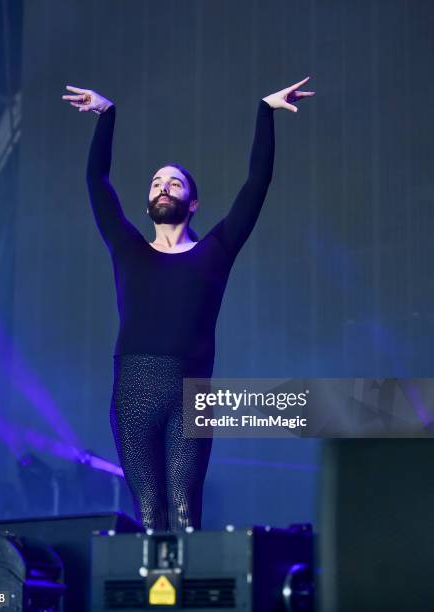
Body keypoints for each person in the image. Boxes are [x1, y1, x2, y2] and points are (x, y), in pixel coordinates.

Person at [62, 77, 315, 531]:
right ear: (147, 203)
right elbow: (96, 181)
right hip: (134, 389)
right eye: (157, 183)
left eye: (174, 183)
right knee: (150, 516)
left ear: (192, 202)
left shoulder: (214, 251)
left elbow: (257, 182)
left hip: (189, 393)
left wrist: (265, 111)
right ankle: (152, 601)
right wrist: (107, 115)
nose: (163, 187)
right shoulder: (128, 248)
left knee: (185, 514)